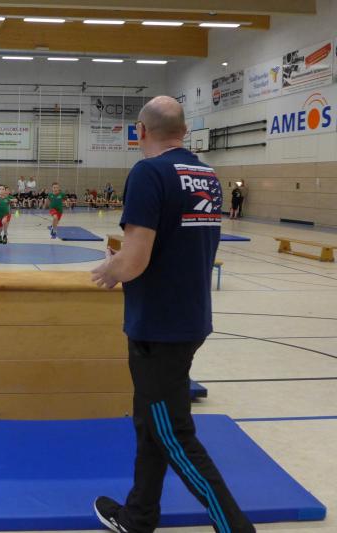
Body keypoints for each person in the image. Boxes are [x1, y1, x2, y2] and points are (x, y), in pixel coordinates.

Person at [90, 96, 254, 533]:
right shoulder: (207, 175)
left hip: (158, 326)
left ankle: (235, 528)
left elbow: (134, 260)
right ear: (184, 131)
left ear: (140, 131)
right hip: (190, 315)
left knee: (174, 435)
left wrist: (110, 269)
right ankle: (139, 516)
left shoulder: (149, 172)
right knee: (152, 423)